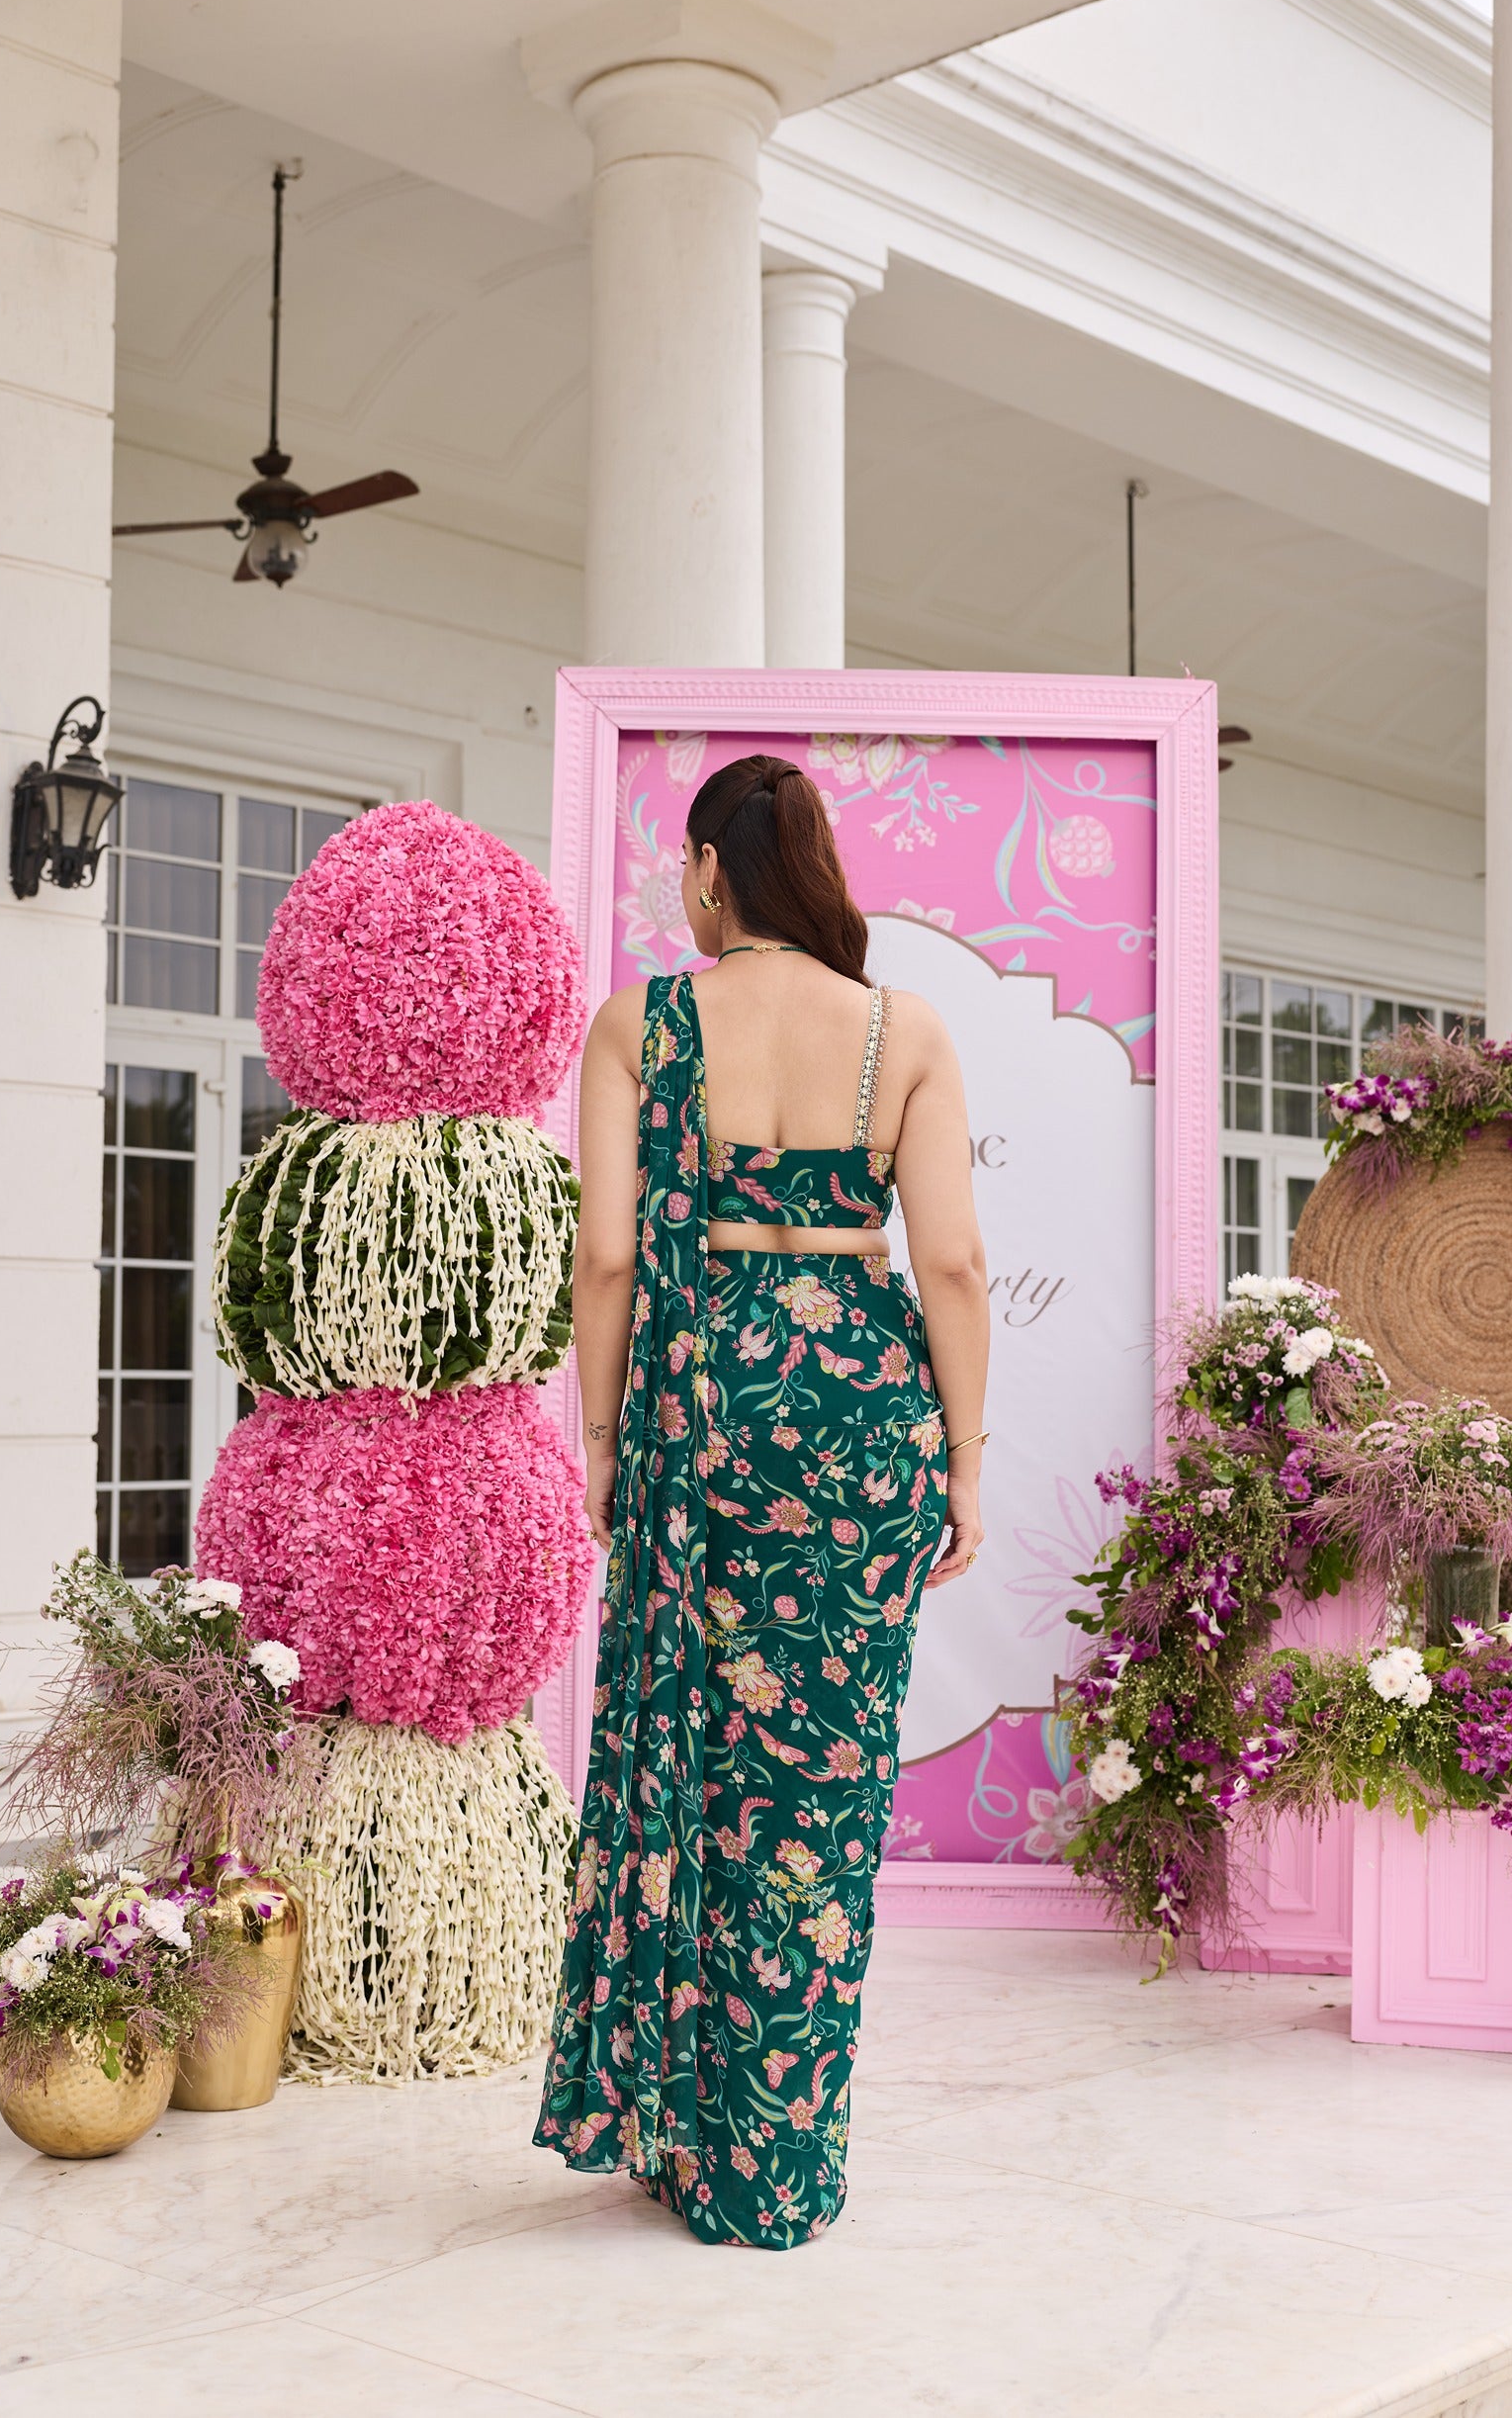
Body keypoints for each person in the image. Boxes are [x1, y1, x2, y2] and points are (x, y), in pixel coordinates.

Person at [533, 752, 989, 2247]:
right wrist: (965, 1461)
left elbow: (604, 1263)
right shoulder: (902, 1029)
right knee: (823, 1790)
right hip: (862, 1417)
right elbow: (955, 1270)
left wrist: (601, 1441)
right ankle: (780, 2161)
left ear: (714, 875)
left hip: (699, 1408)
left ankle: (678, 2126)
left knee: (698, 1768)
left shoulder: (643, 1025)